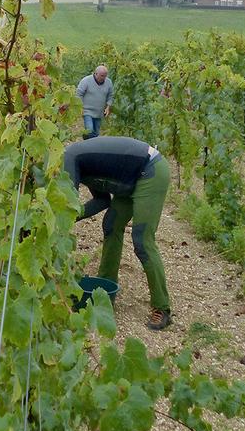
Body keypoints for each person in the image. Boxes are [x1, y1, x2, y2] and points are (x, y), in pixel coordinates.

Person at [63, 136, 172, 330]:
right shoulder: (81, 164)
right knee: (111, 224)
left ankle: (162, 307)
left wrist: (64, 219)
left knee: (142, 241)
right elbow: (102, 200)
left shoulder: (69, 159)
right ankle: (105, 286)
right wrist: (73, 217)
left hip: (150, 171)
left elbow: (67, 205)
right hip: (130, 180)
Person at [76, 65, 114, 138]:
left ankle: (87, 140)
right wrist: (80, 107)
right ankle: (87, 141)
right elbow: (79, 94)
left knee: (96, 134)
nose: (103, 78)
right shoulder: (86, 81)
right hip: (87, 111)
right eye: (102, 76)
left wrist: (108, 107)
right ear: (95, 73)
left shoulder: (108, 82)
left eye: (105, 76)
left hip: (99, 113)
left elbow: (110, 96)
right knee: (89, 130)